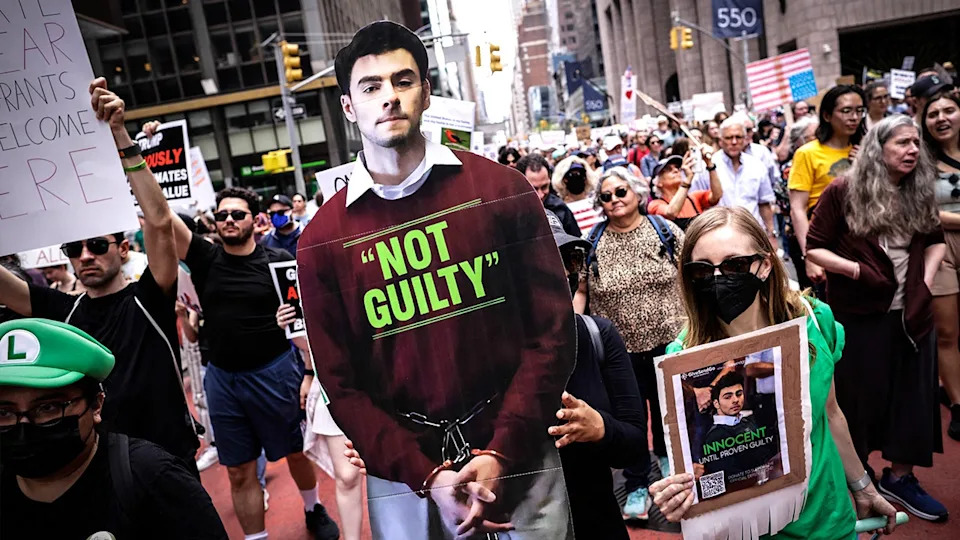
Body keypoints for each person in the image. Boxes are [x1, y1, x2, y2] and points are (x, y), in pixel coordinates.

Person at [300, 20, 576, 539]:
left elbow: (553, 336)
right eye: (371, 86)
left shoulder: (502, 190)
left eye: (403, 81)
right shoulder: (321, 240)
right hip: (402, 476)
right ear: (347, 107)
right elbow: (341, 386)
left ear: (427, 92)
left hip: (516, 450)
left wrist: (501, 449)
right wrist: (422, 472)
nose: (389, 98)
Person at [649, 206, 898, 537]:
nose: (720, 278)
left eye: (735, 264)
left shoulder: (814, 320)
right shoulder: (683, 360)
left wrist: (863, 486)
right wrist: (680, 496)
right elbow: (697, 461)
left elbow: (830, 412)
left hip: (826, 520)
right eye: (703, 271)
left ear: (764, 265)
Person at [0, 79, 199, 470]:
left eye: (97, 245)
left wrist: (120, 135)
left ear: (124, 249)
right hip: (92, 466)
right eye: (74, 250)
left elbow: (159, 222)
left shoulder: (149, 298)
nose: (85, 255)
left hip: (167, 460)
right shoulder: (63, 312)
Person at [169, 186, 339, 539]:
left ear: (254, 220)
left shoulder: (277, 262)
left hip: (275, 372)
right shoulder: (204, 258)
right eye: (221, 215)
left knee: (296, 451)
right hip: (223, 379)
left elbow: (306, 321)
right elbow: (160, 218)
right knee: (238, 470)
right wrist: (129, 155)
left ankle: (312, 508)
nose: (228, 220)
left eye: (237, 214)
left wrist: (307, 373)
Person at [806, 115, 948, 522]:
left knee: (914, 396)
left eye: (916, 144)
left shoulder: (920, 188)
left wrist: (924, 277)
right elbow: (815, 249)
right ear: (878, 148)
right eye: (903, 143)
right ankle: (860, 477)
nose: (913, 150)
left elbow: (936, 240)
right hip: (859, 315)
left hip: (912, 314)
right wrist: (855, 271)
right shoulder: (842, 190)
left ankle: (901, 477)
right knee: (858, 398)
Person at [0, 319, 228, 539]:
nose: (23, 426)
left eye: (48, 407)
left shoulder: (153, 478)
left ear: (96, 405)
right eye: (4, 413)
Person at [579, 166, 685, 520]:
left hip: (671, 344)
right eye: (606, 196)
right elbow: (580, 292)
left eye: (621, 192)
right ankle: (638, 484)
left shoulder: (665, 231)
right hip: (619, 354)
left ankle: (675, 475)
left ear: (638, 193)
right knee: (633, 421)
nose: (615, 200)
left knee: (674, 414)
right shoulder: (592, 243)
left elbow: (692, 273)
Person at [788, 85, 865, 290]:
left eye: (859, 110)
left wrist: (864, 165)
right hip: (825, 244)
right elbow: (797, 208)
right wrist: (810, 255)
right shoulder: (807, 153)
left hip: (862, 243)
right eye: (846, 111)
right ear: (827, 115)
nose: (854, 117)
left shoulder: (867, 151)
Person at [921, 90, 960, 440]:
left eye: (950, 110)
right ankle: (958, 404)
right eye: (934, 114)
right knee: (947, 332)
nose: (942, 118)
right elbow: (921, 210)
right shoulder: (919, 160)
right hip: (940, 247)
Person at [691, 116, 777, 245]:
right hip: (719, 238)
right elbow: (697, 204)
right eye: (729, 138)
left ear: (745, 139)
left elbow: (764, 203)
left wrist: (771, 234)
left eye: (738, 137)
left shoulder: (756, 165)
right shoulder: (707, 167)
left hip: (753, 236)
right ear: (720, 140)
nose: (734, 142)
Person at [778, 116, 820, 289]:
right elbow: (791, 206)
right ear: (799, 141)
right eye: (813, 136)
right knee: (810, 290)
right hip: (802, 235)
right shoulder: (791, 166)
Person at [647, 150, 722, 231]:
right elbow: (671, 213)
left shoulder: (694, 198)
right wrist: (687, 180)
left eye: (677, 167)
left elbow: (716, 196)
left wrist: (710, 165)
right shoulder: (654, 205)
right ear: (658, 182)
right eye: (668, 169)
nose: (676, 170)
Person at [518, 152, 582, 237]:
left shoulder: (560, 209)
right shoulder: (509, 214)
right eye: (533, 189)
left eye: (544, 187)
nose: (540, 195)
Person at [553, 155, 604, 234]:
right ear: (563, 179)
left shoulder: (598, 203)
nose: (577, 176)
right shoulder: (561, 210)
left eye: (580, 173)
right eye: (571, 175)